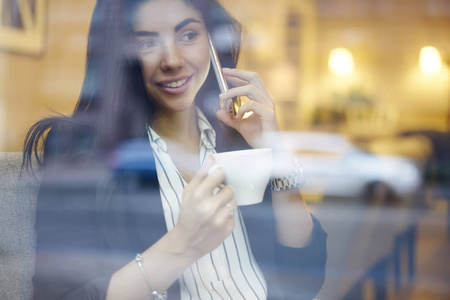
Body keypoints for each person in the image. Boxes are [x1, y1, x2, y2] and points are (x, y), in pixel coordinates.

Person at [23, 0, 328, 299]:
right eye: (146, 43)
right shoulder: (83, 152)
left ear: (211, 40)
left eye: (189, 35)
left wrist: (276, 155)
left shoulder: (236, 139)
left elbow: (305, 275)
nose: (172, 60)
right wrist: (183, 243)